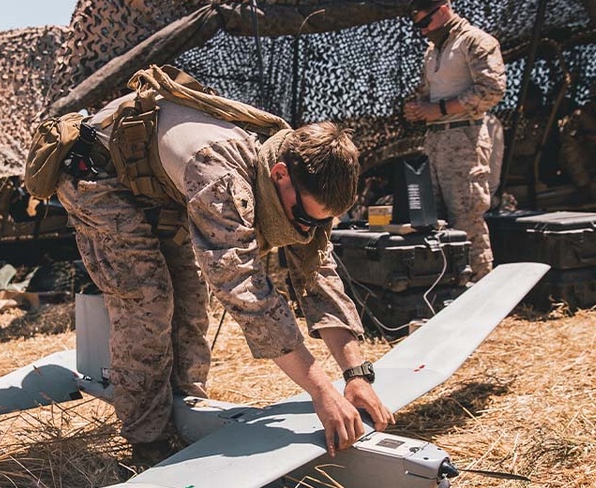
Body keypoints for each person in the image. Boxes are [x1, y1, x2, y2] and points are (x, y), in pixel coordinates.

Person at [53, 77, 392, 467]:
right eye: (301, 217)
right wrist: (321, 391)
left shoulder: (303, 176)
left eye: (319, 222)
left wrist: (355, 374)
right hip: (96, 173)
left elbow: (317, 273)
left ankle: (185, 412)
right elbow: (244, 289)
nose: (306, 229)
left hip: (154, 181)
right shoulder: (220, 179)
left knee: (191, 298)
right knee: (149, 301)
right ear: (279, 174)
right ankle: (147, 444)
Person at [403, 0, 506, 280]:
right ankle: (450, 286)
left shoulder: (475, 42)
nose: (422, 30)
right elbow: (428, 91)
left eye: (425, 21)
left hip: (466, 139)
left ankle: (482, 289)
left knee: (467, 218)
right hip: (435, 141)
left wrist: (443, 109)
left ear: (444, 10)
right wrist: (418, 107)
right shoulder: (433, 51)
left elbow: (492, 89)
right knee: (433, 218)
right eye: (417, 24)